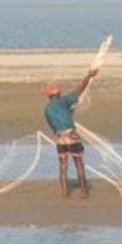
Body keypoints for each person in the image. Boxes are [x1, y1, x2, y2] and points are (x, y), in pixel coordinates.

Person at [41, 68, 98, 198]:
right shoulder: (63, 101)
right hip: (72, 137)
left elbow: (53, 127)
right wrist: (88, 76)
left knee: (63, 167)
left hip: (60, 139)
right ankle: (84, 193)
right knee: (79, 165)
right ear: (57, 94)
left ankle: (65, 193)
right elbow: (80, 89)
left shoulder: (47, 109)